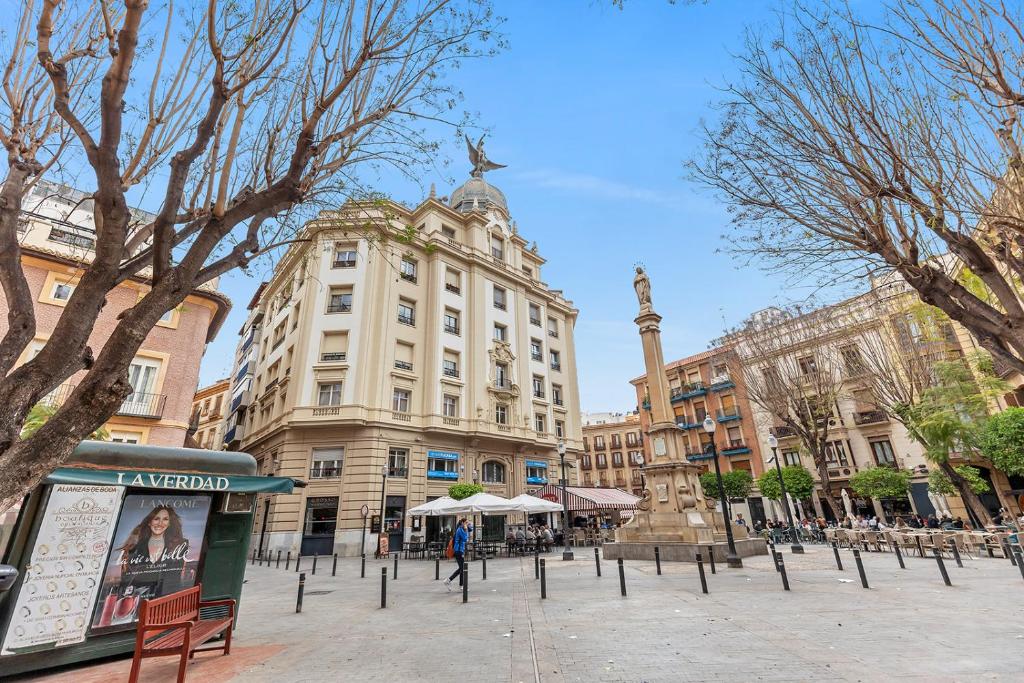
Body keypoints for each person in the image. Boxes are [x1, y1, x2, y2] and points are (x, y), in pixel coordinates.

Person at [117, 506, 189, 599]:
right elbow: (125, 579)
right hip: (135, 599)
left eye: (165, 519)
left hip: (164, 599)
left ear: (169, 524)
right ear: (149, 522)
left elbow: (174, 579)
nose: (160, 523)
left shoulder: (179, 545)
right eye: (156, 519)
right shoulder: (134, 546)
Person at [444, 518, 472, 591]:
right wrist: (466, 529)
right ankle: (456, 583)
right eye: (466, 522)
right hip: (458, 551)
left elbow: (471, 529)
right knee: (462, 568)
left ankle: (450, 581)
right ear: (462, 523)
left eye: (467, 522)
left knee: (461, 568)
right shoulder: (460, 530)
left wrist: (468, 526)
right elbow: (465, 538)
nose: (466, 524)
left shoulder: (462, 528)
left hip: (460, 550)